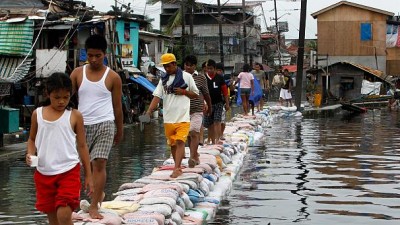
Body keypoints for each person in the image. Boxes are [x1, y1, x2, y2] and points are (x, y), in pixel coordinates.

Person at [26, 72, 93, 225]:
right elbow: (31, 139)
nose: (62, 101)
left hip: (69, 171)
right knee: (53, 218)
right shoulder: (38, 114)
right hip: (44, 172)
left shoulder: (75, 115)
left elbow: (82, 145)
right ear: (47, 94)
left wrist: (88, 175)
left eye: (66, 97)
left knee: (64, 212)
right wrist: (30, 153)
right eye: (57, 97)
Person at [70, 34, 123, 219]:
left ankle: (94, 206)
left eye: (97, 56)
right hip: (82, 126)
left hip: (105, 123)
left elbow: (117, 106)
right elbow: (65, 98)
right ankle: (93, 195)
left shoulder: (113, 77)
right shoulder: (77, 73)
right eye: (90, 55)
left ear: (105, 54)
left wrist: (120, 129)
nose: (93, 60)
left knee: (99, 163)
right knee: (81, 166)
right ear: (85, 54)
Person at [145, 53, 199, 177]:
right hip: (168, 118)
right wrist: (149, 111)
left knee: (180, 141)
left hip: (183, 117)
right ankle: (177, 166)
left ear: (174, 64)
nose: (166, 69)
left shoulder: (187, 77)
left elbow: (195, 94)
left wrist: (184, 91)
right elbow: (157, 96)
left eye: (168, 66)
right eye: (165, 67)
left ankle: (177, 168)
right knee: (173, 144)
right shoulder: (163, 80)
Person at [184, 55, 212, 168]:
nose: (188, 67)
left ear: (195, 66)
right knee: (189, 136)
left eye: (191, 65)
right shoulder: (179, 77)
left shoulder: (201, 78)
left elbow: (206, 93)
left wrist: (209, 106)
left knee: (194, 132)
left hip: (197, 109)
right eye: (186, 65)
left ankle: (192, 157)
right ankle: (195, 155)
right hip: (183, 111)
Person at [203, 59, 230, 144]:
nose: (209, 70)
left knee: (217, 121)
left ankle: (218, 139)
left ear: (214, 68)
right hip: (208, 104)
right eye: (208, 68)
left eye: (211, 68)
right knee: (209, 124)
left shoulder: (220, 78)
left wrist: (227, 103)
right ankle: (211, 140)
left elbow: (225, 92)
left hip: (218, 103)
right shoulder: (204, 78)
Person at [216, 62, 228, 135]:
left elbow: (226, 93)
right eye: (217, 70)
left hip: (222, 102)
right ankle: (216, 136)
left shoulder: (223, 79)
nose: (219, 72)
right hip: (213, 103)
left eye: (220, 70)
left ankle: (221, 134)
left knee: (222, 121)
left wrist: (227, 103)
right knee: (216, 121)